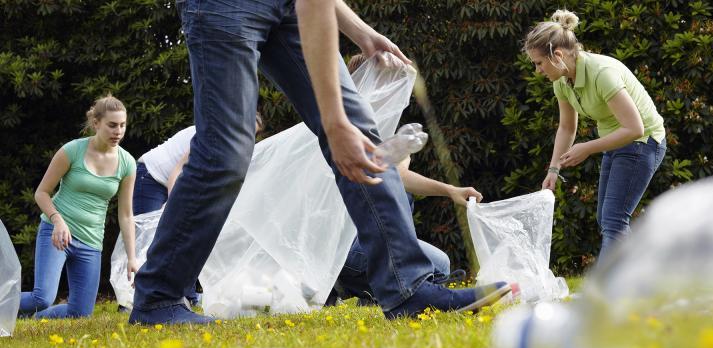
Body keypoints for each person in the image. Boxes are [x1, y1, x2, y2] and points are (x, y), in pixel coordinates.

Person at [128, 0, 512, 325]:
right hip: (223, 7)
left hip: (291, 6)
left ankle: (407, 289)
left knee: (362, 134)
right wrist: (334, 124)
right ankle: (159, 297)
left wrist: (360, 32)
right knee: (225, 155)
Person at [328, 54, 483, 306]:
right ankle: (347, 283)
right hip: (341, 244)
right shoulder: (344, 128)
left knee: (439, 263)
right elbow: (389, 174)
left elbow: (400, 177)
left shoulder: (384, 127)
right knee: (435, 265)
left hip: (356, 239)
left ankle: (369, 290)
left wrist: (450, 190)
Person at [525, 9, 666, 260]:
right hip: (616, 141)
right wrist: (553, 169)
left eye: (538, 63)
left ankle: (610, 291)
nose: (538, 71)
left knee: (613, 219)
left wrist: (588, 147)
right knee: (606, 217)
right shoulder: (562, 80)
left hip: (643, 141)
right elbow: (567, 127)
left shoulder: (602, 73)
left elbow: (635, 128)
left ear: (557, 55)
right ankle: (632, 277)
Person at [19, 95, 137, 319]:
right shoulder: (72, 151)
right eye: (112, 125)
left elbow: (126, 215)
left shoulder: (127, 163)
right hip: (56, 233)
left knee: (80, 313)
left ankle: (35, 318)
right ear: (96, 123)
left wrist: (132, 257)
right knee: (42, 297)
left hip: (91, 241)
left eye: (122, 125)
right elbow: (41, 193)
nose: (118, 131)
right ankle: (31, 308)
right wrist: (57, 220)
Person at [129, 114, 264, 308]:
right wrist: (174, 207)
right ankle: (134, 298)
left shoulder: (232, 145)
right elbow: (177, 172)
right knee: (149, 240)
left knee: (186, 236)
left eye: (254, 133)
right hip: (151, 176)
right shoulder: (210, 133)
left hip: (172, 180)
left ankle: (188, 296)